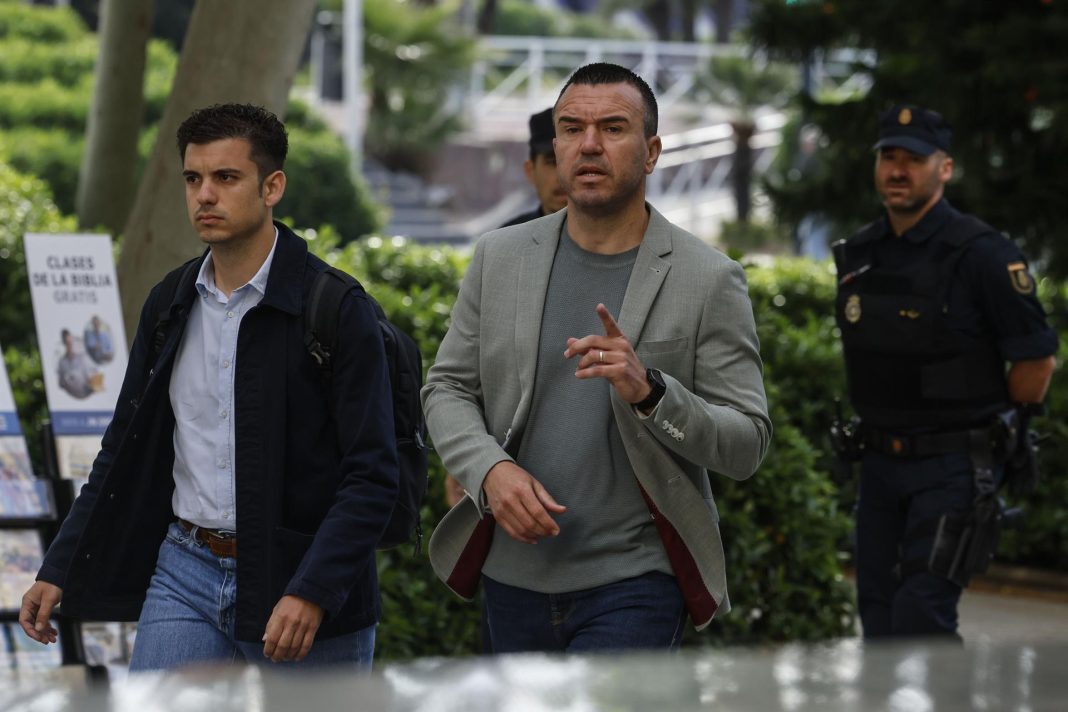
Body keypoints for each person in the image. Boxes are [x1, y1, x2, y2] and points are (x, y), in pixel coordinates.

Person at [20, 104, 399, 670]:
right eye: (193, 178)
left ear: (272, 187)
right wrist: (60, 564)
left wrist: (314, 589)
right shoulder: (168, 303)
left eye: (226, 177)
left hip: (298, 578)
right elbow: (121, 448)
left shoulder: (337, 308)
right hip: (185, 570)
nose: (204, 195)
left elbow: (373, 474)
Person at [423, 63, 772, 653]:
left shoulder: (709, 278)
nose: (589, 144)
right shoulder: (499, 257)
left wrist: (652, 392)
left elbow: (747, 444)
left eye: (612, 128)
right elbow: (446, 389)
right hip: (512, 575)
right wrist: (490, 471)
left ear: (652, 152)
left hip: (636, 580)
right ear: (555, 146)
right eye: (571, 128)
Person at [833, 105, 1057, 639]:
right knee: (879, 618)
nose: (898, 170)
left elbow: (1036, 360)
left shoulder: (983, 253)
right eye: (889, 156)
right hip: (879, 464)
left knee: (922, 615)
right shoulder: (860, 253)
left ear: (945, 168)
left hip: (953, 467)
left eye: (914, 159)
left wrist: (1004, 435)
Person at [498, 107, 569, 228]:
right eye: (552, 162)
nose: (562, 175)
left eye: (572, 161)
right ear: (530, 171)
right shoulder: (509, 237)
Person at [57, 329, 99, 399]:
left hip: (88, 394)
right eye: (68, 343)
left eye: (71, 341)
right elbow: (61, 384)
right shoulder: (62, 362)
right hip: (73, 397)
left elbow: (95, 377)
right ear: (64, 343)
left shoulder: (83, 358)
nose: (71, 345)